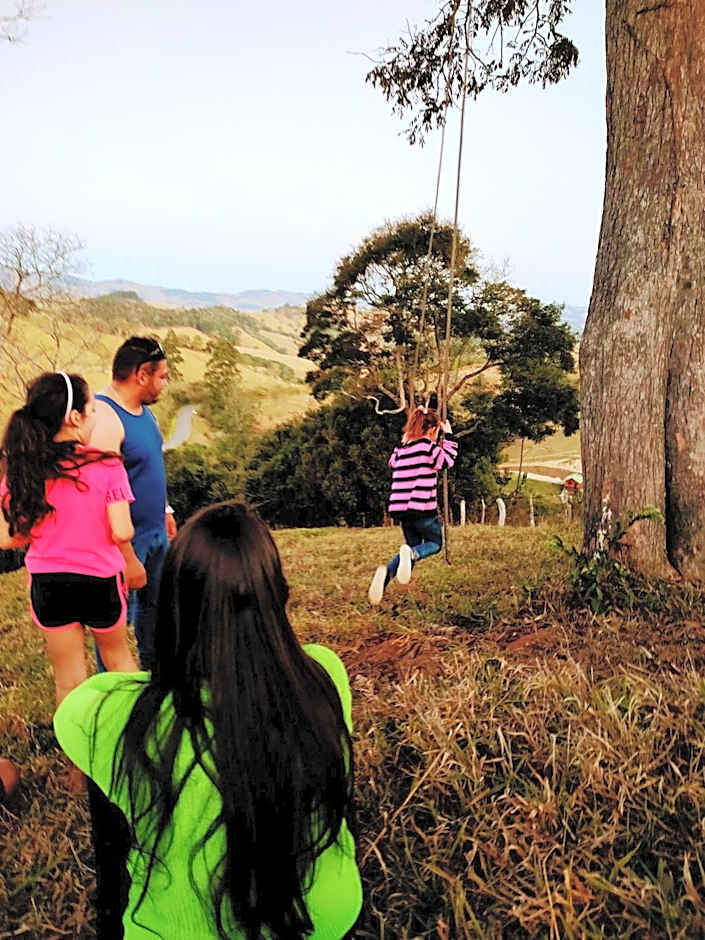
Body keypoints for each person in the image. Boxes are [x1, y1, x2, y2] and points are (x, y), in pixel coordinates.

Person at [54, 501, 362, 939]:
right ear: (277, 595)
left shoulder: (110, 713)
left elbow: (111, 851)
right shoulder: (323, 676)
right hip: (325, 920)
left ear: (173, 607)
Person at [0, 372, 138, 751]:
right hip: (100, 579)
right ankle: (142, 744)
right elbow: (122, 531)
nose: (94, 416)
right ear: (74, 418)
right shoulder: (107, 465)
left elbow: (9, 537)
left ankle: (79, 768)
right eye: (91, 408)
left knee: (69, 680)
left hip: (49, 583)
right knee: (120, 664)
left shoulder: (22, 470)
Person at [90, 337, 176, 671]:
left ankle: (155, 678)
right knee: (115, 623)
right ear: (142, 375)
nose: (165, 384)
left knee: (157, 612)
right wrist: (126, 555)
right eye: (162, 376)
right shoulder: (103, 418)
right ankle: (113, 693)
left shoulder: (145, 413)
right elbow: (100, 493)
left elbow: (150, 463)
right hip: (122, 540)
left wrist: (165, 509)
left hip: (155, 533)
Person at [368, 405, 458, 605]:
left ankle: (384, 577)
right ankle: (412, 554)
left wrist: (407, 439)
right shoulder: (429, 448)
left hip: (401, 511)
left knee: (410, 550)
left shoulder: (401, 450)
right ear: (433, 430)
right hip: (422, 509)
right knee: (434, 544)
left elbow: (392, 462)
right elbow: (447, 461)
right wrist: (449, 436)